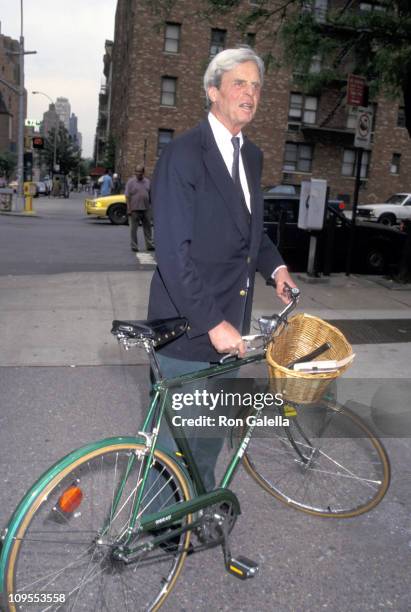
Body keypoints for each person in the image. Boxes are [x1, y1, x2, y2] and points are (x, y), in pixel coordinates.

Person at [147, 46, 297, 491]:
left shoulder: (250, 156)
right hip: (187, 329)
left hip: (233, 325)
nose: (250, 93)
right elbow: (173, 255)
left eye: (256, 86)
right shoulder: (183, 155)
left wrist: (277, 269)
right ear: (213, 92)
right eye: (239, 83)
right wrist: (212, 323)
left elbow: (251, 231)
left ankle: (199, 509)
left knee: (210, 433)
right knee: (174, 443)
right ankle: (161, 527)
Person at [125, 165, 154, 252]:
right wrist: (129, 208)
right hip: (134, 209)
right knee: (133, 229)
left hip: (146, 209)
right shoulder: (130, 182)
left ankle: (149, 245)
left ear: (143, 172)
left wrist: (151, 207)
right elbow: (127, 196)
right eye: (136, 171)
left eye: (139, 172)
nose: (138, 173)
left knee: (148, 228)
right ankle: (134, 246)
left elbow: (150, 195)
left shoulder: (148, 182)